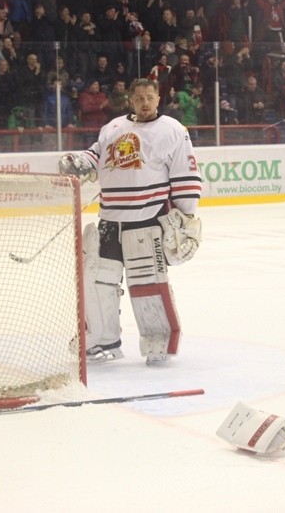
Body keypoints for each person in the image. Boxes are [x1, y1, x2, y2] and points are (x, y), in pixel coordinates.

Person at [57, 78, 202, 365]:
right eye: (139, 98)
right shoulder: (112, 128)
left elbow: (185, 174)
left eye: (150, 97)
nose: (144, 103)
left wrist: (186, 219)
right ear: (131, 101)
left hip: (147, 219)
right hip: (110, 220)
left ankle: (158, 342)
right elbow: (95, 155)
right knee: (99, 281)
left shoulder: (173, 130)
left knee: (148, 283)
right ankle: (102, 340)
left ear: (158, 99)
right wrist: (79, 161)